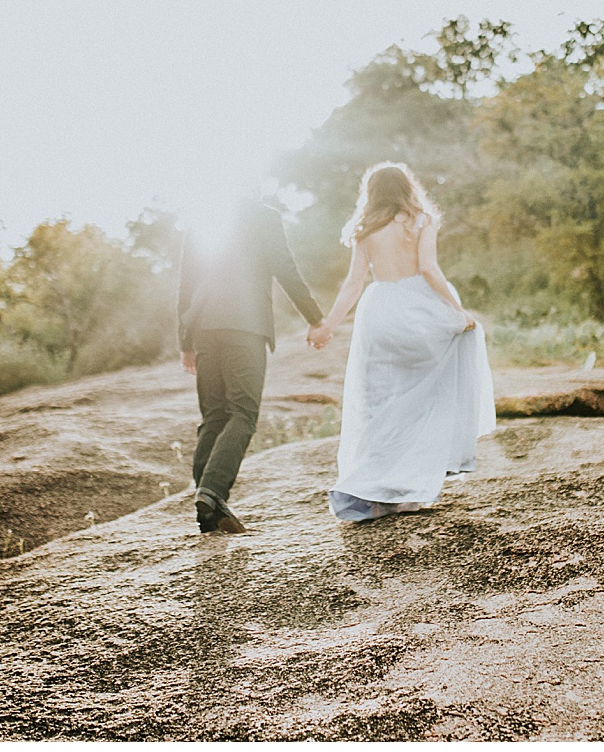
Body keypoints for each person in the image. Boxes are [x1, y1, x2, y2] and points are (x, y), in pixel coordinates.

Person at [307, 162, 495, 521]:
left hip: (380, 313)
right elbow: (429, 269)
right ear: (408, 188)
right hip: (419, 311)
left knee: (380, 402)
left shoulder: (366, 228)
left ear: (372, 192)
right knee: (429, 393)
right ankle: (413, 479)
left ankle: (376, 486)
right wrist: (459, 311)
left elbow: (353, 283)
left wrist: (329, 324)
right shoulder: (421, 220)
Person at [178, 193, 325, 534]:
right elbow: (284, 267)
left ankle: (209, 510)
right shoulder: (264, 216)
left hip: (203, 327)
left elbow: (185, 284)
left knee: (214, 415)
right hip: (245, 325)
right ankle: (212, 491)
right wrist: (315, 318)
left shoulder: (202, 213)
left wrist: (185, 341)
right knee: (242, 412)